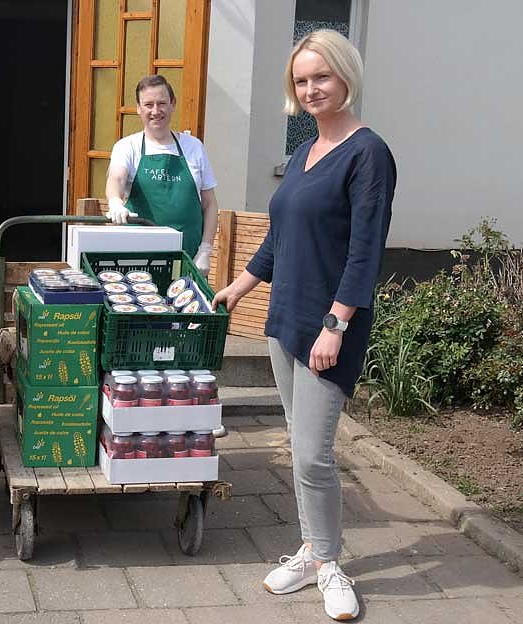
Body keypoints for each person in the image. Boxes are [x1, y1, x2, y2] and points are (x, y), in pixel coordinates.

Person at [213, 30, 395, 621]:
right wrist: (238, 287)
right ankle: (312, 550)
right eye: (301, 80)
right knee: (297, 448)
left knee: (314, 456)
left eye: (322, 76)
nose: (311, 88)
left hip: (328, 326)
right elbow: (280, 236)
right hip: (285, 319)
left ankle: (330, 565)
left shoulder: (368, 154)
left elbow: (365, 252)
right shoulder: (304, 152)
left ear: (346, 76)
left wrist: (336, 324)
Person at [105, 75, 219, 275]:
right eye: (148, 105)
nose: (156, 111)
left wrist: (205, 250)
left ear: (173, 104)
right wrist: (115, 201)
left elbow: (210, 204)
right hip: (138, 262)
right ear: (139, 108)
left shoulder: (194, 147)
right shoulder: (127, 146)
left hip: (188, 260)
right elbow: (117, 178)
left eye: (162, 103)